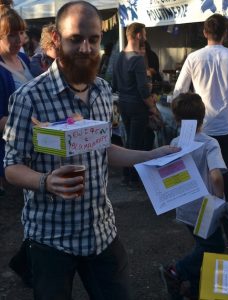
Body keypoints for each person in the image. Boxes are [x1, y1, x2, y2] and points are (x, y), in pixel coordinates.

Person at [3, 2, 179, 299]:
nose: (86, 48)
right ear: (56, 40)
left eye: (94, 39)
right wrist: (46, 181)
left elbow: (104, 149)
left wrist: (150, 156)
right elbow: (11, 167)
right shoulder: (28, 98)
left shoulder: (100, 91)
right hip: (50, 238)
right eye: (76, 39)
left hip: (101, 233)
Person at [173, 13, 228, 200]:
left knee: (198, 167)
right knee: (226, 166)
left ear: (204, 32)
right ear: (225, 33)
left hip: (200, 124)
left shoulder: (193, 57)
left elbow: (179, 91)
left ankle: (200, 204)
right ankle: (223, 206)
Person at [160, 92, 227, 300]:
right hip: (205, 208)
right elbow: (216, 176)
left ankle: (196, 289)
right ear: (203, 117)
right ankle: (176, 271)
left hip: (184, 205)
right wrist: (221, 197)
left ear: (177, 120)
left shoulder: (175, 141)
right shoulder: (210, 143)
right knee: (214, 247)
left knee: (202, 246)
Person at [112, 22, 161, 187]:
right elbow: (143, 90)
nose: (146, 37)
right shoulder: (138, 59)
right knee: (137, 144)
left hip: (123, 103)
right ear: (138, 35)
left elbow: (115, 83)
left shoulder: (120, 56)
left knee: (129, 141)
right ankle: (134, 179)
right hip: (137, 105)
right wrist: (152, 107)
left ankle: (128, 176)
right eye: (145, 33)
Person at [0, 0, 33, 196]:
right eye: (10, 35)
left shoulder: (24, 59)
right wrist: (33, 126)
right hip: (9, 154)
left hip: (30, 149)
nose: (18, 40)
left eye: (20, 33)